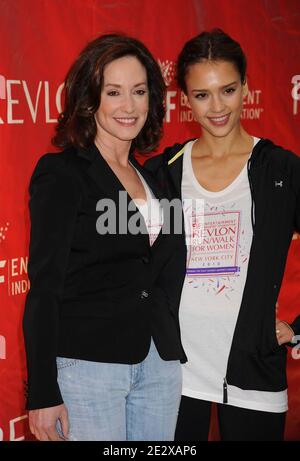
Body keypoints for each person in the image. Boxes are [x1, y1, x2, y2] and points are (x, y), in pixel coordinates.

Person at [23, 34, 187, 442]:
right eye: (113, 92)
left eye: (138, 91)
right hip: (87, 367)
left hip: (158, 365)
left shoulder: (156, 179)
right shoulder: (62, 174)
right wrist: (43, 391)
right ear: (89, 99)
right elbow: (44, 287)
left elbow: (162, 274)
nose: (128, 106)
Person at [144, 29, 300, 441]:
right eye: (202, 95)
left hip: (255, 372)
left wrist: (298, 327)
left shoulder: (280, 170)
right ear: (185, 99)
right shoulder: (165, 171)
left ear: (246, 87)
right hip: (173, 372)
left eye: (228, 90)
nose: (217, 107)